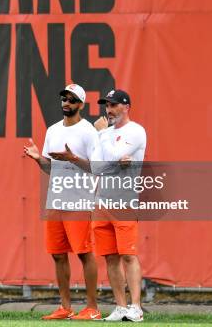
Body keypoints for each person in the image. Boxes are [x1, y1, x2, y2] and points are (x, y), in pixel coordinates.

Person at [23, 83, 103, 321]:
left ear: (80, 104)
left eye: (71, 100)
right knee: (57, 254)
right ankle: (65, 307)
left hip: (79, 200)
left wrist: (73, 158)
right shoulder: (53, 130)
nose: (66, 103)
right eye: (64, 99)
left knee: (84, 253)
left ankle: (92, 308)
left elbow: (96, 169)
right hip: (56, 198)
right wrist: (39, 159)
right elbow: (51, 168)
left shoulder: (88, 131)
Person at [93, 89, 147, 322]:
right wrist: (111, 157)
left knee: (128, 255)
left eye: (114, 105)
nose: (109, 109)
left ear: (126, 107)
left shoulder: (135, 131)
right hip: (102, 200)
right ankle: (121, 306)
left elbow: (114, 154)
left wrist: (103, 135)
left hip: (124, 200)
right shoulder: (104, 134)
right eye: (107, 105)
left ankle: (136, 307)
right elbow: (97, 166)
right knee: (110, 257)